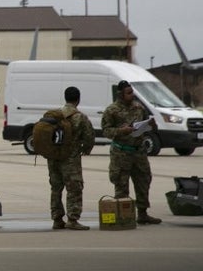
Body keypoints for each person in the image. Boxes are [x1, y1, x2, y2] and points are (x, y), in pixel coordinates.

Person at [102, 80, 161, 225]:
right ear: (120, 94)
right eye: (129, 93)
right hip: (121, 153)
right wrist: (122, 131)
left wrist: (151, 125)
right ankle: (123, 215)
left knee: (143, 181)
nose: (132, 95)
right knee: (121, 184)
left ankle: (142, 213)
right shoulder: (111, 110)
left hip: (139, 152)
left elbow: (149, 126)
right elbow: (106, 131)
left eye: (132, 91)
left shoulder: (139, 108)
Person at [49, 86, 93, 230]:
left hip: (54, 158)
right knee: (74, 188)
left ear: (65, 98)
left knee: (56, 188)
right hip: (70, 159)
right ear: (78, 99)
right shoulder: (79, 116)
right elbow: (89, 138)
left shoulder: (56, 114)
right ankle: (73, 219)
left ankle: (57, 219)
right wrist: (84, 149)